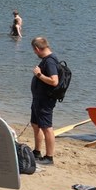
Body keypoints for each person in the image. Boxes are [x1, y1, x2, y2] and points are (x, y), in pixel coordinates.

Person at [30, 36, 61, 166]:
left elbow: (54, 81)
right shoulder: (47, 60)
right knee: (35, 124)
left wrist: (39, 74)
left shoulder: (50, 61)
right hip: (38, 99)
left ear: (37, 49)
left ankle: (49, 157)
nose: (34, 53)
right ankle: (37, 151)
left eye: (34, 50)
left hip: (45, 100)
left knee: (47, 127)